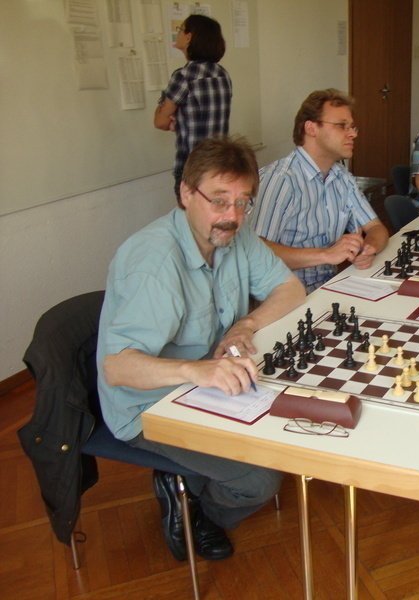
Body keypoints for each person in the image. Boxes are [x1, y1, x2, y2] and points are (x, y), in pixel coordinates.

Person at [97, 137, 306, 562]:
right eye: (220, 200)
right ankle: (197, 510)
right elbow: (116, 368)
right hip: (149, 405)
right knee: (259, 480)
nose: (233, 216)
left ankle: (189, 481)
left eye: (243, 202)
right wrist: (196, 371)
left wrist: (244, 325)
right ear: (186, 194)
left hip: (207, 386)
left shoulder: (233, 235)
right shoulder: (155, 264)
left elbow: (291, 289)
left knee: (288, 426)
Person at [250, 89, 388, 293]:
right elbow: (255, 251)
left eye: (352, 127)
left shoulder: (341, 177)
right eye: (341, 126)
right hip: (285, 296)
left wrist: (369, 248)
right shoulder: (282, 179)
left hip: (328, 287)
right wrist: (325, 255)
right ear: (311, 128)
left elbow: (377, 228)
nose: (353, 134)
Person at [154, 14, 232, 197]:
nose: (178, 33)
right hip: (220, 165)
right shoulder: (223, 75)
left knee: (191, 215)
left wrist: (170, 114)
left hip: (192, 169)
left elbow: (160, 121)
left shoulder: (183, 76)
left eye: (180, 29)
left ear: (189, 37)